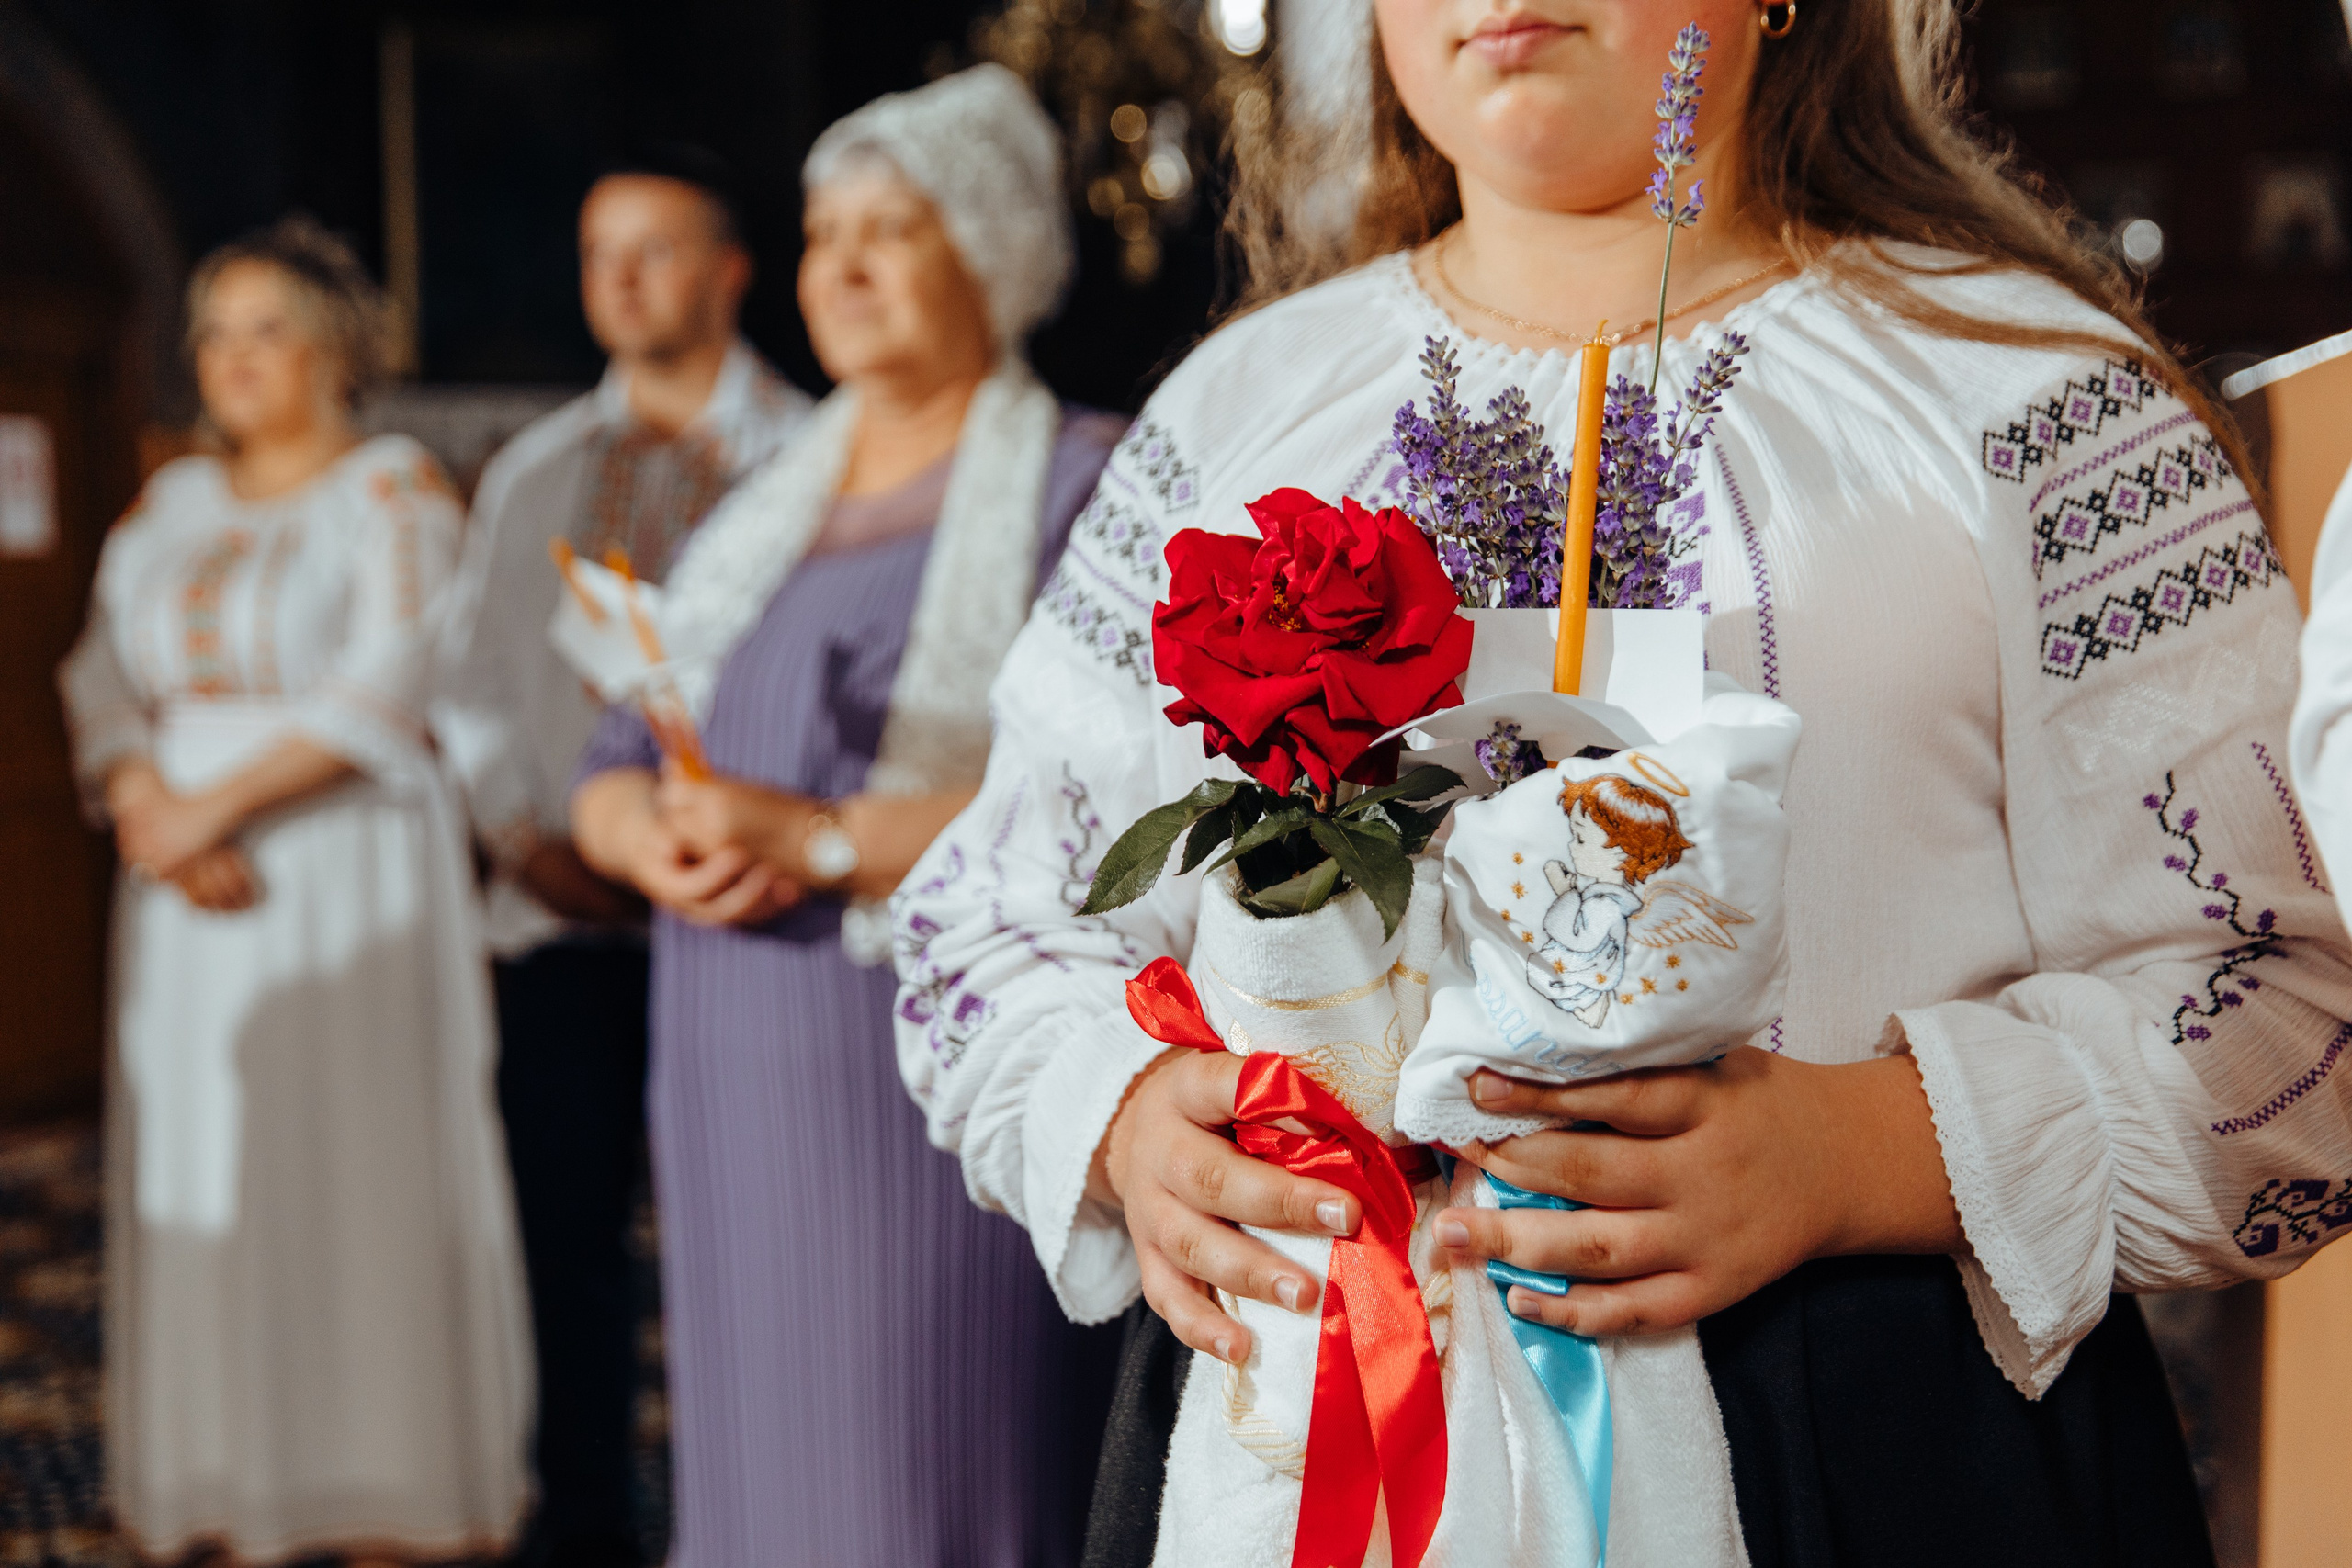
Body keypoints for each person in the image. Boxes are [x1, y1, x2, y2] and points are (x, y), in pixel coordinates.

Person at [891, 4, 2352, 1565]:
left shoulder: (2033, 397)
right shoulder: (1240, 410)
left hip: (1880, 1431)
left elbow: (2288, 1023)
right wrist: (1127, 1122)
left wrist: (1858, 1153)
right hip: (1309, 1435)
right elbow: (988, 917)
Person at [567, 65, 1121, 1566]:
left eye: (894, 229)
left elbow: (1100, 806)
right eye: (824, 235)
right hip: (727, 1058)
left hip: (935, 1066)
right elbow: (612, 754)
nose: (846, 268)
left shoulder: (1086, 480)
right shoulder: (756, 505)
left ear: (992, 249)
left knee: (931, 1464)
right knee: (761, 1471)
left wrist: (813, 839)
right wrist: (648, 839)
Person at [58, 217, 527, 1565]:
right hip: (180, 894)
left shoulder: (392, 491)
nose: (235, 358)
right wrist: (147, 805)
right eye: (214, 333)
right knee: (209, 1156)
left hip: (341, 870)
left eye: (267, 329)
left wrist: (215, 807)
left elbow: (394, 674)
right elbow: (100, 671)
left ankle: (378, 1481)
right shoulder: (170, 506)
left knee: (348, 1164)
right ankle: (223, 1470)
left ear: (336, 347)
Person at [432, 145, 810, 1568]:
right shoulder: (535, 469)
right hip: (560, 919)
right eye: (601, 253)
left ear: (730, 270)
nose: (623, 280)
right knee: (567, 1233)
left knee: (757, 1233)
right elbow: (469, 676)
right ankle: (585, 1520)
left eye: (656, 249)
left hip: (754, 917)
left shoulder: (810, 456)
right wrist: (526, 838)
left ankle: (762, 1511)